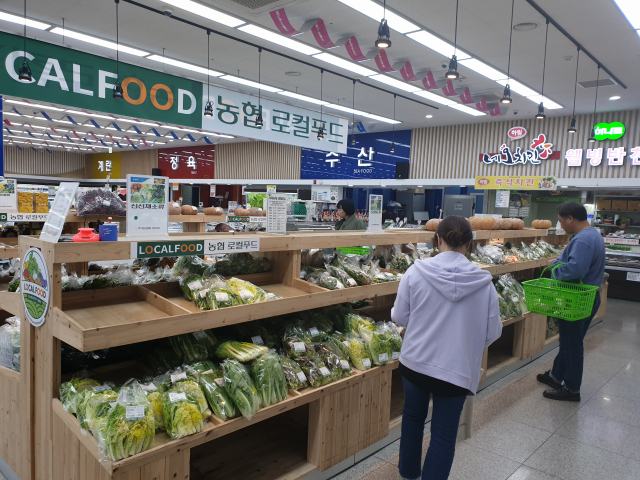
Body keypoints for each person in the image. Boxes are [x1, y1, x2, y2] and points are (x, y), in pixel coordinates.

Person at [391, 216, 503, 480]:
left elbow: (399, 317)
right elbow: (493, 332)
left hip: (415, 362)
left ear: (437, 239)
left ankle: (408, 474)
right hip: (457, 369)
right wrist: (465, 343)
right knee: (444, 433)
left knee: (413, 419)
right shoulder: (484, 283)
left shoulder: (415, 271)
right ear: (470, 244)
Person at [537, 202, 605, 402]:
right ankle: (556, 376)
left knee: (571, 344)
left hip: (576, 298)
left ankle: (572, 389)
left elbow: (575, 270)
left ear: (570, 219)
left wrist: (555, 266)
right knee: (569, 341)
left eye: (560, 221)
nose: (561, 226)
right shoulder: (593, 234)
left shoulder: (583, 240)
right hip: (588, 296)